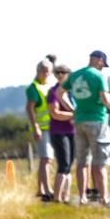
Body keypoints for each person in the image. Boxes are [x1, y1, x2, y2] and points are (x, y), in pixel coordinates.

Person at [67, 49, 110, 207]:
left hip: (79, 120)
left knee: (82, 162)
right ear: (99, 60)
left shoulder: (75, 75)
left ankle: (83, 197)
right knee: (100, 163)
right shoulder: (99, 77)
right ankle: (104, 199)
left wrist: (72, 108)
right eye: (103, 64)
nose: (102, 67)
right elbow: (109, 102)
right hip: (97, 121)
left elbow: (60, 92)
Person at [24, 55, 57, 201]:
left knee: (48, 160)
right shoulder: (34, 88)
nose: (45, 73)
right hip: (42, 128)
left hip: (52, 126)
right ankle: (47, 190)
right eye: (43, 70)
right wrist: (35, 126)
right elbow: (30, 109)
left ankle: (40, 188)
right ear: (38, 71)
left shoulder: (50, 85)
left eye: (48, 70)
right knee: (46, 158)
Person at [46, 62, 76, 202]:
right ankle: (57, 198)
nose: (60, 75)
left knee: (69, 165)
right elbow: (55, 113)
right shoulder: (54, 92)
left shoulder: (72, 92)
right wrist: (74, 116)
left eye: (63, 73)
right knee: (63, 165)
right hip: (59, 132)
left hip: (73, 131)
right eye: (57, 73)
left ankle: (66, 196)